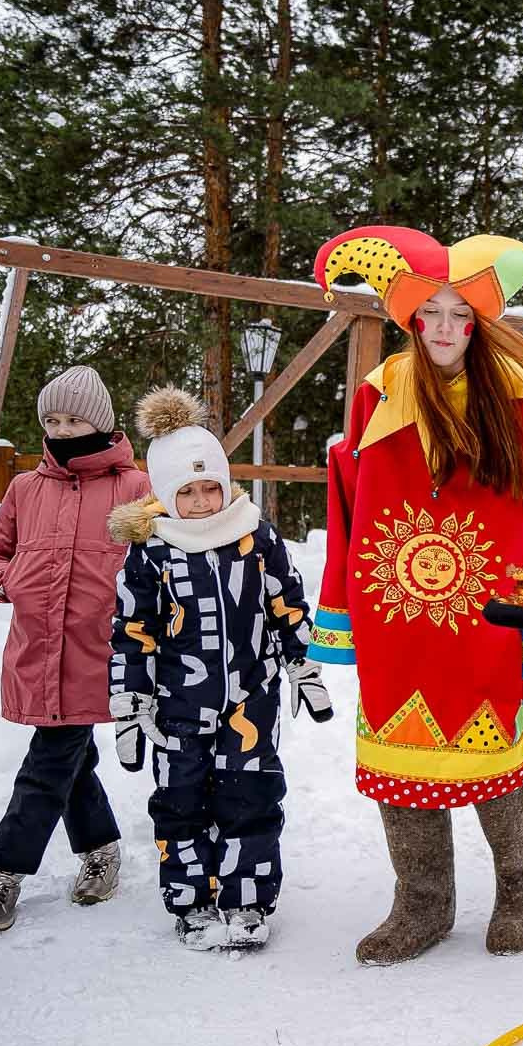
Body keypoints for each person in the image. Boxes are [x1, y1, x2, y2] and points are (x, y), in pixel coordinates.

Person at [308, 227, 523, 965]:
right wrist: (340, 608)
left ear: (481, 322)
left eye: (459, 314)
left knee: (493, 761)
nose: (443, 328)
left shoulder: (519, 401)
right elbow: (348, 506)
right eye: (430, 313)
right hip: (398, 621)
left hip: (491, 622)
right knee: (402, 769)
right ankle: (423, 902)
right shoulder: (377, 396)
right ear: (409, 317)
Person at [108, 388, 332, 950]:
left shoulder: (255, 537)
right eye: (188, 491)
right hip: (177, 706)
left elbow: (287, 603)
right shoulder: (153, 550)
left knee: (251, 796)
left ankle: (248, 898)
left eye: (212, 487)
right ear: (165, 493)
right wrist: (129, 703)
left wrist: (304, 664)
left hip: (250, 699)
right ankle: (191, 901)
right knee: (181, 802)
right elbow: (133, 630)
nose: (204, 502)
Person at [0, 365, 151, 934]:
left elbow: (162, 564)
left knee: (48, 765)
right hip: (38, 649)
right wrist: (9, 582)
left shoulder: (136, 487)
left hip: (104, 652)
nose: (62, 428)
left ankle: (3, 872)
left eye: (73, 418)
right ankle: (101, 852)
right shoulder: (26, 488)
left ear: (100, 421)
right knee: (69, 758)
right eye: (52, 419)